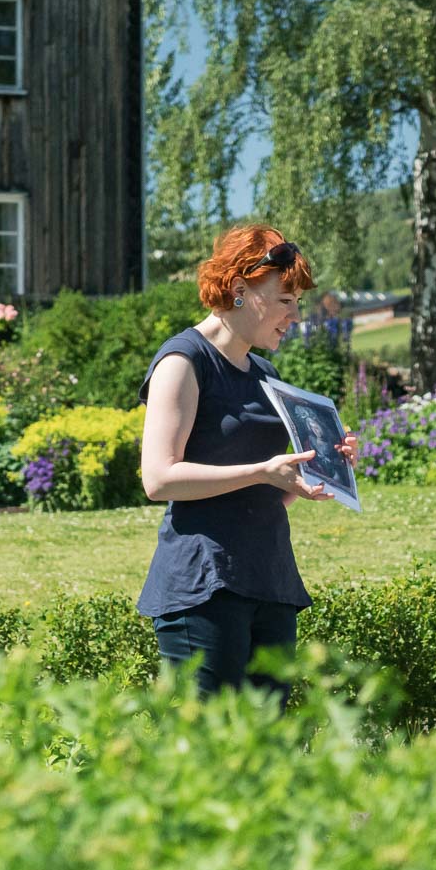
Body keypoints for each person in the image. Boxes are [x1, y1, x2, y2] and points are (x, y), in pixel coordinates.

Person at [136, 224, 356, 698]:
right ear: (240, 290)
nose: (295, 316)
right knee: (210, 757)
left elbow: (266, 494)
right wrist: (261, 470)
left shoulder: (265, 373)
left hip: (269, 579)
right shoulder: (182, 360)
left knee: (268, 755)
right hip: (203, 587)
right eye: (284, 300)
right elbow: (158, 478)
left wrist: (316, 470)